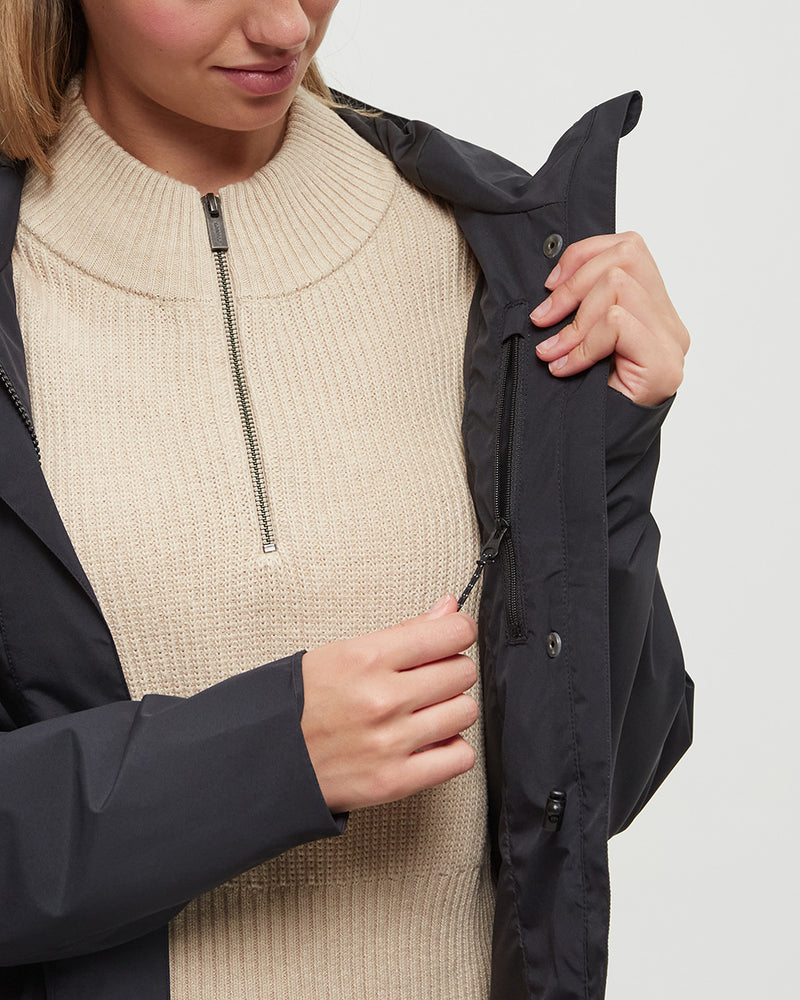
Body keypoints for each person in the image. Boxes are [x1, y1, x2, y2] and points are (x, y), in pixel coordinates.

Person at [0, 2, 693, 999]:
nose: (287, 23)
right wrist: (266, 758)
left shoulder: (499, 255)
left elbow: (596, 790)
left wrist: (611, 454)